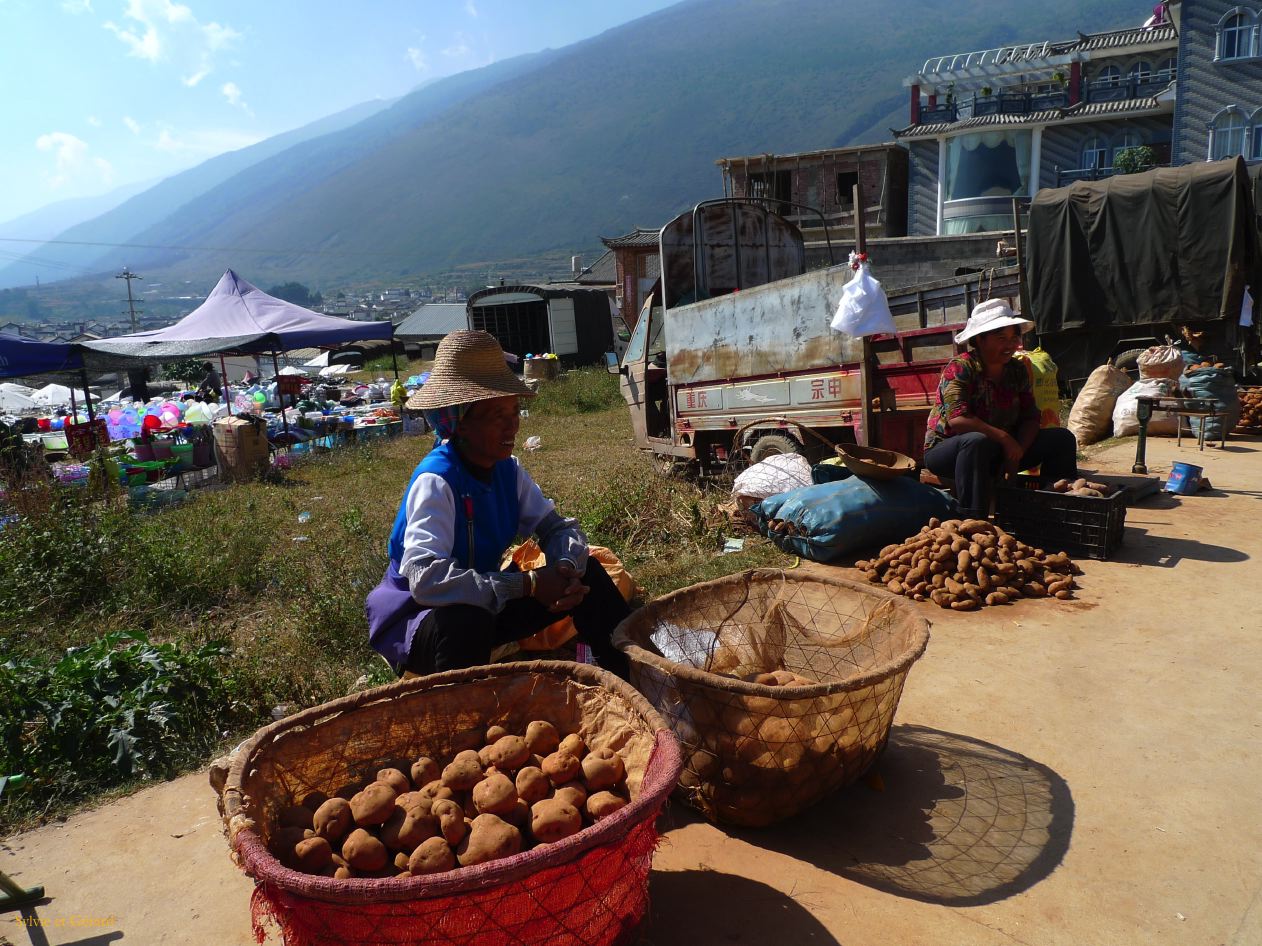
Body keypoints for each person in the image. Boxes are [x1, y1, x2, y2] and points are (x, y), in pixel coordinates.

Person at [367, 330, 630, 678]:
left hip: (485, 601)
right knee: (466, 616)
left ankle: (633, 677)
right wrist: (530, 585)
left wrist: (565, 566)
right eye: (497, 415)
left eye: (515, 410)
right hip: (421, 622)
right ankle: (463, 717)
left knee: (590, 575)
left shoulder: (507, 471)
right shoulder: (437, 481)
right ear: (461, 423)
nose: (513, 425)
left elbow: (556, 527)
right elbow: (426, 579)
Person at [922, 300, 1078, 519]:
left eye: (1014, 338)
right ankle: (972, 520)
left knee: (1061, 439)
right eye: (1001, 338)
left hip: (1000, 451)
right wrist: (1005, 438)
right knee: (976, 440)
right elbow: (959, 420)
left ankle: (1058, 509)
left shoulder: (1017, 370)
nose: (1010, 345)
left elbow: (1031, 416)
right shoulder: (961, 367)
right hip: (950, 452)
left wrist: (1018, 451)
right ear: (979, 340)